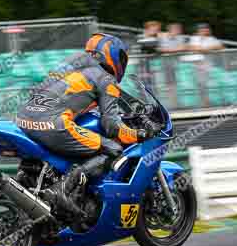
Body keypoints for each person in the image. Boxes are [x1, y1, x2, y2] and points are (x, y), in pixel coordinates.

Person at [14, 33, 160, 214]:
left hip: (23, 119)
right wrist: (139, 134)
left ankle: (27, 180)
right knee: (113, 147)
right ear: (112, 54)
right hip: (53, 124)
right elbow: (112, 127)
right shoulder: (106, 78)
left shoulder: (71, 63)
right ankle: (63, 189)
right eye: (121, 58)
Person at [188, 23, 224, 107]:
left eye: (205, 29)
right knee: (200, 85)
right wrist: (204, 49)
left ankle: (208, 103)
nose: (204, 30)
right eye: (202, 29)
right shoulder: (194, 38)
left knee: (207, 85)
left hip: (208, 66)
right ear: (198, 30)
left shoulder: (211, 39)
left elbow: (220, 46)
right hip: (196, 65)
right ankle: (204, 103)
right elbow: (191, 47)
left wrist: (206, 49)